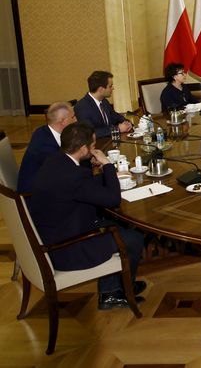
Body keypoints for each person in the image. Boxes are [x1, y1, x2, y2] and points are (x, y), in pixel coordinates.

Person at [28, 122, 145, 310]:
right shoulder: (74, 176)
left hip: (52, 233)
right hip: (67, 248)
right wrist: (107, 165)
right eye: (92, 147)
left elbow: (81, 188)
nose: (94, 150)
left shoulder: (55, 161)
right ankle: (114, 293)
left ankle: (120, 285)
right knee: (134, 238)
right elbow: (113, 199)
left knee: (116, 225)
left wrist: (104, 174)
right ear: (83, 149)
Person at [17, 102, 77, 195]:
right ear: (63, 121)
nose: (76, 120)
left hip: (47, 184)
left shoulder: (43, 130)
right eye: (73, 117)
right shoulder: (45, 146)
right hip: (34, 196)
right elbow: (65, 171)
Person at [74, 71, 133, 138]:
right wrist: (117, 129)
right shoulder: (82, 107)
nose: (113, 88)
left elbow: (115, 116)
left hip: (110, 141)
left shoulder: (104, 101)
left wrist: (126, 122)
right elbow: (90, 133)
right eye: (110, 86)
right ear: (101, 89)